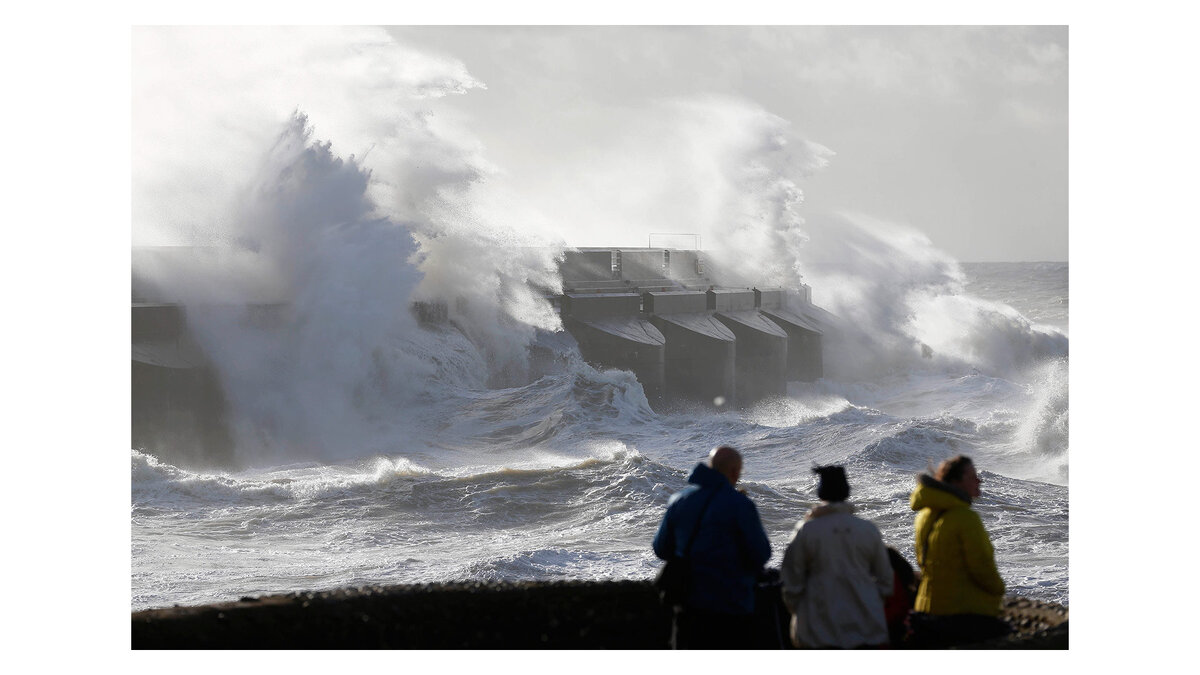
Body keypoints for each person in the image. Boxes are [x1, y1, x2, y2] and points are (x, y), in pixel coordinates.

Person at [652, 445, 772, 649]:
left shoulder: (679, 500)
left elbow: (661, 548)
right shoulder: (740, 504)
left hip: (688, 604)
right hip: (732, 604)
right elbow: (761, 553)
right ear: (735, 472)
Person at [779, 465, 893, 649]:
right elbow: (886, 581)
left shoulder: (807, 530)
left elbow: (791, 581)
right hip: (866, 627)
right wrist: (869, 600)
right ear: (846, 490)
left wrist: (801, 611)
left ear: (820, 492)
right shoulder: (867, 529)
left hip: (818, 630)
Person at [907, 455, 1010, 647]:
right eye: (972, 476)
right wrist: (999, 592)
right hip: (960, 614)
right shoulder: (965, 518)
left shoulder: (924, 515)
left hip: (926, 608)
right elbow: (983, 568)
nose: (979, 480)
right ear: (955, 481)